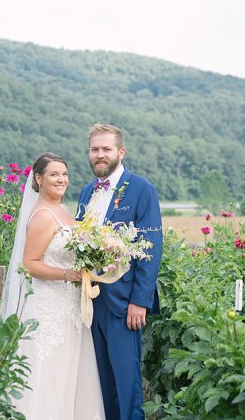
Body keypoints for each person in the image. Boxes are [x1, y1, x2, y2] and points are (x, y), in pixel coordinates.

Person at [0, 152, 105, 420]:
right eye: (54, 174)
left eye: (65, 174)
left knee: (69, 373)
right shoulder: (43, 216)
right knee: (48, 373)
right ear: (38, 179)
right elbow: (29, 264)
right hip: (48, 308)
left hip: (70, 308)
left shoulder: (64, 211)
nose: (61, 179)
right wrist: (69, 274)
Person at [75, 124, 163, 420]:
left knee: (127, 386)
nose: (100, 155)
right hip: (90, 303)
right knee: (101, 384)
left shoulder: (141, 189)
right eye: (95, 149)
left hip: (125, 304)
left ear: (120, 152)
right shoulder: (87, 191)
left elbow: (150, 248)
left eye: (106, 149)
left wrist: (140, 301)